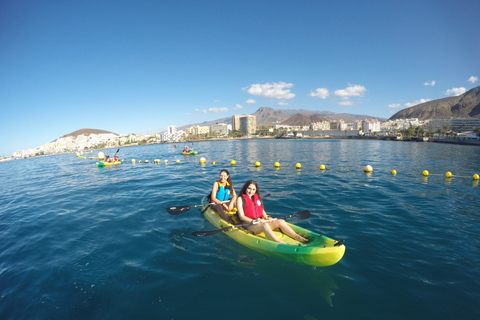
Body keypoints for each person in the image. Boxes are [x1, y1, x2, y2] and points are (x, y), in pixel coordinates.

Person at [236, 180, 308, 244]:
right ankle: (280, 243)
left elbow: (261, 209)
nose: (251, 191)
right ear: (245, 188)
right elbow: (242, 217)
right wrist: (254, 220)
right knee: (264, 225)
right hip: (249, 225)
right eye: (249, 188)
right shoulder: (240, 199)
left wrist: (266, 218)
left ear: (256, 190)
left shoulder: (255, 197)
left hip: (259, 222)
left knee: (281, 221)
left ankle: (297, 237)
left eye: (253, 189)